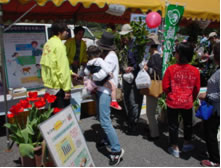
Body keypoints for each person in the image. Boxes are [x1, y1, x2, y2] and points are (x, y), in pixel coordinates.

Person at [162, 42, 200, 158]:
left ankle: (175, 147)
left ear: (181, 54)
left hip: (173, 102)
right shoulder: (195, 71)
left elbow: (165, 87)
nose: (175, 54)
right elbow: (196, 88)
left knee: (173, 125)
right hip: (187, 103)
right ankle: (187, 144)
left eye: (176, 52)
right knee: (188, 124)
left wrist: (171, 95)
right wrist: (190, 98)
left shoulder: (171, 69)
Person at [95, 32, 124, 166]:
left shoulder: (110, 57)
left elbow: (101, 75)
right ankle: (107, 140)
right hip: (104, 90)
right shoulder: (108, 55)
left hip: (106, 92)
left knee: (105, 121)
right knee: (104, 119)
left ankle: (116, 150)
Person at [40, 21, 77, 108]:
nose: (67, 33)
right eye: (66, 31)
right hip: (59, 86)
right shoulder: (59, 46)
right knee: (61, 117)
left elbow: (54, 64)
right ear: (59, 32)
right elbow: (62, 68)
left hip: (50, 85)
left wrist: (71, 72)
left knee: (54, 113)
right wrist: (67, 89)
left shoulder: (48, 43)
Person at [120, 24, 143, 135]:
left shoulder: (136, 46)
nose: (123, 38)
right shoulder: (126, 46)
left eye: (124, 36)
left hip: (134, 78)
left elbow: (141, 64)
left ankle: (133, 124)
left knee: (133, 101)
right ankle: (131, 121)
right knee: (128, 100)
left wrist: (133, 68)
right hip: (127, 77)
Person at [199, 42, 220, 167]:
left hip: (215, 108)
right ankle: (211, 153)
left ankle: (214, 160)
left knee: (211, 133)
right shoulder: (218, 68)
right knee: (208, 131)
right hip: (213, 107)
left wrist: (206, 96)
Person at [84, 45, 122, 110]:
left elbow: (86, 71)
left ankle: (93, 91)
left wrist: (90, 74)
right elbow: (105, 67)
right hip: (102, 81)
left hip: (95, 80)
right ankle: (114, 102)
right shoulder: (99, 60)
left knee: (94, 86)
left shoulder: (89, 62)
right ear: (98, 53)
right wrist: (109, 72)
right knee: (113, 87)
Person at [143, 33, 162, 140]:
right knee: (151, 110)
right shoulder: (158, 56)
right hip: (155, 85)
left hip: (153, 86)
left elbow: (156, 72)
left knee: (150, 112)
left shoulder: (155, 57)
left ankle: (154, 134)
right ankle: (152, 129)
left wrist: (146, 68)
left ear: (151, 46)